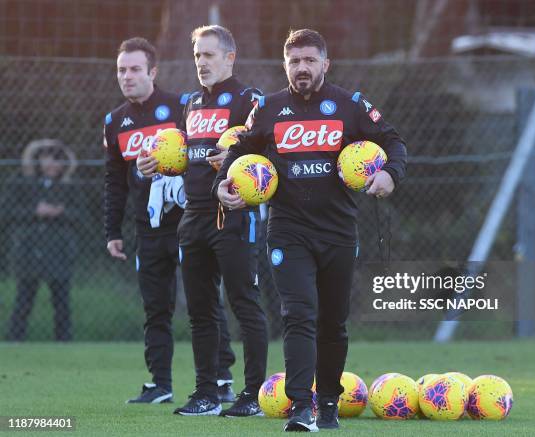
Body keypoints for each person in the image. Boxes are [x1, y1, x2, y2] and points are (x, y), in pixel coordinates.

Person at [214, 29, 408, 432]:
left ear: (325, 64)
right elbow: (240, 149)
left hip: (339, 231)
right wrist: (225, 184)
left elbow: (393, 141)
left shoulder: (350, 105)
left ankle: (331, 403)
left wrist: (391, 173)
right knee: (298, 313)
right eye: (294, 61)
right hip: (288, 231)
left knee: (333, 321)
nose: (301, 68)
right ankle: (302, 406)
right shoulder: (268, 108)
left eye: (309, 60)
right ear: (285, 65)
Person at [137, 25, 268, 417]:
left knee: (244, 305)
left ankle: (254, 396)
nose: (201, 63)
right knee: (200, 310)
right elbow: (178, 153)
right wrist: (153, 164)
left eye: (209, 55)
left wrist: (235, 164)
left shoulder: (250, 99)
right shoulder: (191, 102)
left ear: (230, 57)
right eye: (197, 56)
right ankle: (206, 393)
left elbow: (265, 151)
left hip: (233, 215)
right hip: (192, 217)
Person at [104, 37, 237, 405]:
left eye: (134, 69)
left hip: (188, 221)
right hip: (148, 230)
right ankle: (160, 383)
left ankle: (223, 377)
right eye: (121, 70)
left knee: (206, 301)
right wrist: (112, 231)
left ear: (152, 72)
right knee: (155, 307)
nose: (127, 77)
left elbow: (205, 155)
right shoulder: (115, 122)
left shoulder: (182, 106)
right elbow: (114, 181)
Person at [6, 139, 80, 342]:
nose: (53, 165)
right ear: (38, 160)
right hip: (29, 251)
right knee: (24, 299)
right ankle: (15, 340)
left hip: (59, 252)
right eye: (48, 159)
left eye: (58, 160)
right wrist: (35, 211)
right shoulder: (21, 183)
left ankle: (64, 341)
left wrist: (60, 212)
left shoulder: (69, 187)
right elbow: (8, 212)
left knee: (61, 301)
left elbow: (82, 216)